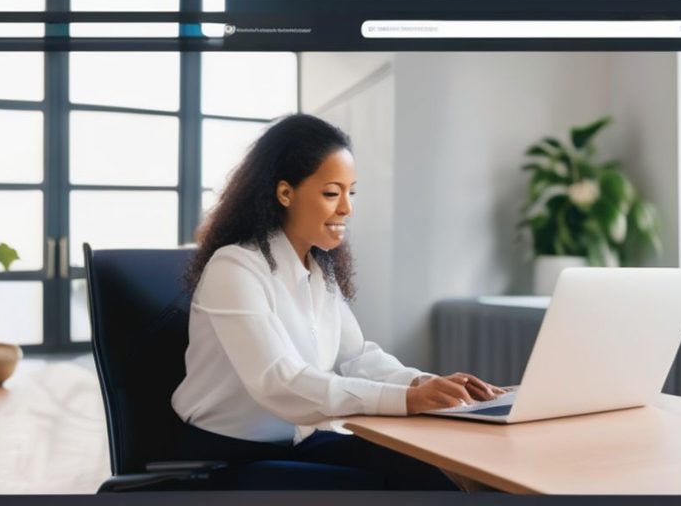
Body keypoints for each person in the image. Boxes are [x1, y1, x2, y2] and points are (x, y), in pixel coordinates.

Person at [172, 113, 506, 490]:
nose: (347, 207)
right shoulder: (234, 267)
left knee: (429, 472)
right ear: (285, 194)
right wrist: (409, 400)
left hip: (298, 441)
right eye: (332, 193)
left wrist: (428, 384)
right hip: (226, 458)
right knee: (376, 491)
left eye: (351, 192)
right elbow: (279, 384)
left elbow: (357, 357)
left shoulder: (318, 268)